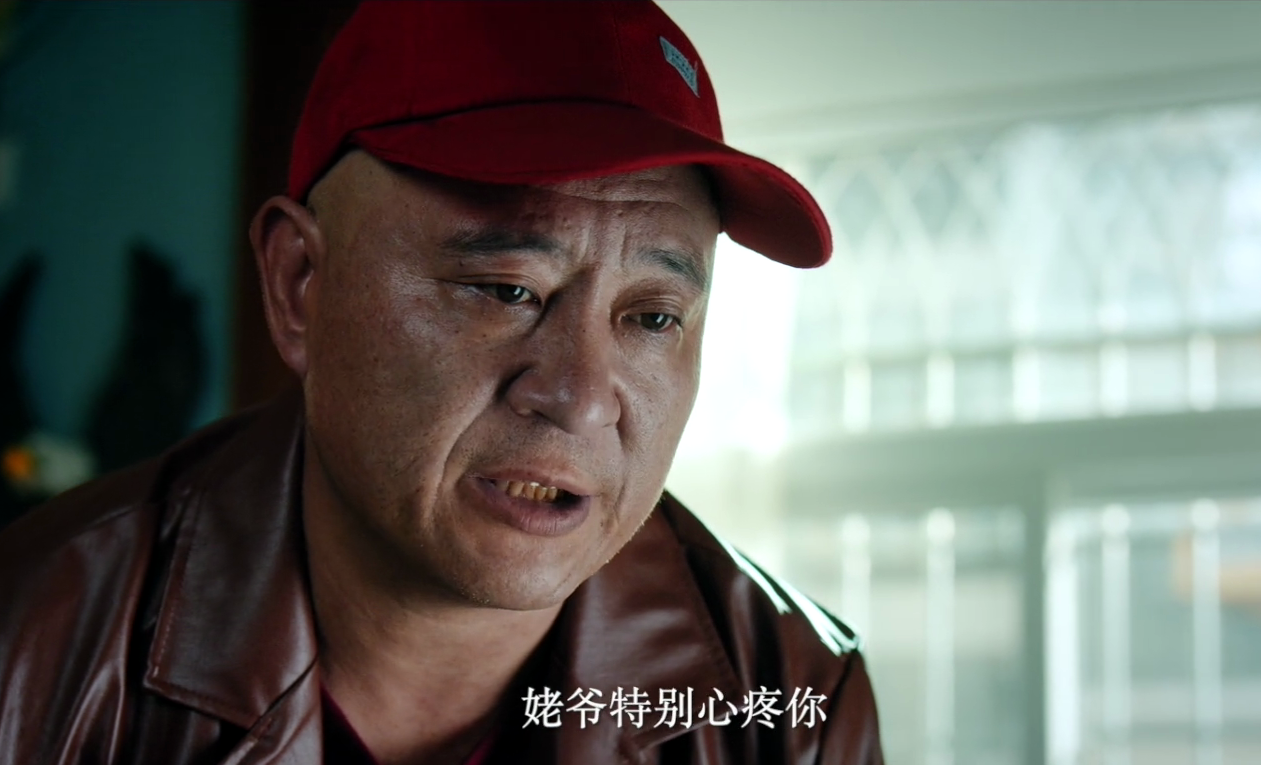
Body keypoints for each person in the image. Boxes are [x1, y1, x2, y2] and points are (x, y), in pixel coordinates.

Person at [0, 2, 882, 763]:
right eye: (507, 289)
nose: (580, 397)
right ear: (300, 283)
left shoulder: (789, 696)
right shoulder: (30, 647)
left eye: (651, 317)